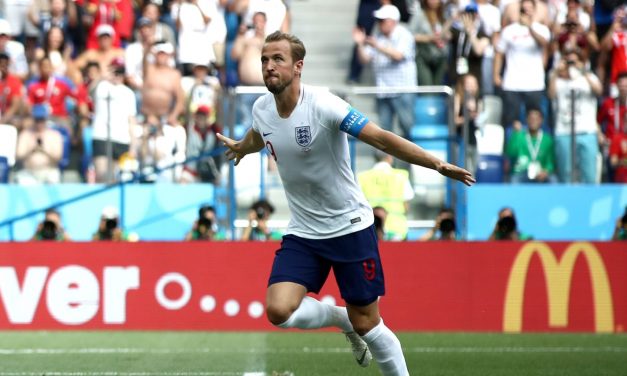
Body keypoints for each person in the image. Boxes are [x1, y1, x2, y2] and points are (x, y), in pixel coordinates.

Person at [216, 31, 474, 375]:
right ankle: (341, 319)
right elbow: (259, 134)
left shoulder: (324, 105)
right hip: (304, 232)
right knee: (278, 310)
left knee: (369, 323)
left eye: (277, 58)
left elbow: (381, 137)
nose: (268, 65)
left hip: (349, 227)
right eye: (264, 59)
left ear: (298, 67)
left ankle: (364, 335)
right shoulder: (261, 108)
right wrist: (242, 147)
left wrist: (435, 163)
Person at [353, 4, 417, 139]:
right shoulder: (378, 37)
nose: (379, 23)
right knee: (384, 133)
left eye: (383, 20)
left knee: (406, 128)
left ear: (393, 21)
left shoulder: (404, 35)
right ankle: (387, 160)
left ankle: (407, 160)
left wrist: (376, 45)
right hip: (383, 90)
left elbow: (398, 55)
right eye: (379, 20)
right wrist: (359, 44)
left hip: (402, 90)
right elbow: (364, 59)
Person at [494, 0, 550, 130]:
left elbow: (544, 43)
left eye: (529, 10)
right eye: (524, 10)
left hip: (534, 83)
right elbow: (499, 53)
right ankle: (512, 149)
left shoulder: (542, 29)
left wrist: (530, 27)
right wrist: (496, 74)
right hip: (512, 83)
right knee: (511, 123)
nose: (526, 13)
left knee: (535, 120)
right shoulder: (509, 30)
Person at [548, 48, 602, 183]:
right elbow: (550, 95)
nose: (571, 64)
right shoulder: (557, 78)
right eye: (568, 61)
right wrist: (556, 71)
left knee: (589, 173)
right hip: (564, 130)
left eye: (574, 60)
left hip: (586, 130)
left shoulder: (588, 77)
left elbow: (599, 91)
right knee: (565, 174)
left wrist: (583, 70)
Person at [358, 150, 414, 241]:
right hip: (398, 229)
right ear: (389, 157)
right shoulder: (401, 176)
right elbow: (406, 205)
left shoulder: (363, 177)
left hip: (372, 228)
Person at [15, 104, 64, 184]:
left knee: (53, 179)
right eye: (37, 120)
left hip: (49, 171)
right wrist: (32, 149)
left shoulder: (55, 135)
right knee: (23, 181)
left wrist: (43, 149)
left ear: (46, 119)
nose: (39, 123)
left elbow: (58, 157)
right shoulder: (25, 134)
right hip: (29, 172)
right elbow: (18, 156)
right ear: (33, 119)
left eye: (41, 120)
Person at [505, 109, 558, 183]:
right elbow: (510, 153)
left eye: (536, 119)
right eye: (531, 119)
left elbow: (550, 162)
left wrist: (545, 171)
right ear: (526, 120)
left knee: (553, 179)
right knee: (514, 180)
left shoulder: (547, 139)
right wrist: (516, 134)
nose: (533, 121)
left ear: (541, 121)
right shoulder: (519, 136)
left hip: (540, 172)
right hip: (522, 172)